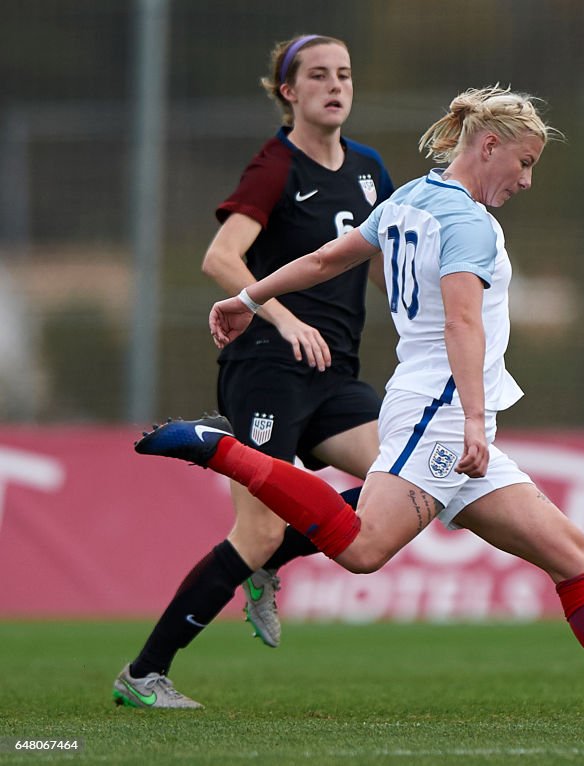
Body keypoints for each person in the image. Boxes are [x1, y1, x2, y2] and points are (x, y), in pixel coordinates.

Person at [134, 85, 584, 715]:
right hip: (439, 414)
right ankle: (220, 448)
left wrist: (248, 300)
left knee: (573, 555)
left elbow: (326, 259)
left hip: (441, 410)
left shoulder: (410, 198)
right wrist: (471, 419)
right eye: (524, 163)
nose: (526, 180)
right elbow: (462, 324)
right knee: (361, 549)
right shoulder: (468, 222)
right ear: (489, 145)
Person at [113, 34, 394, 709]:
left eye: (345, 74)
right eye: (318, 75)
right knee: (258, 528)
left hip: (335, 376)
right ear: (288, 93)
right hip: (267, 367)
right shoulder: (276, 167)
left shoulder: (368, 167)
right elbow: (220, 257)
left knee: (409, 484)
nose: (335, 85)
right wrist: (280, 316)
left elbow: (392, 251)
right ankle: (144, 674)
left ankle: (272, 559)